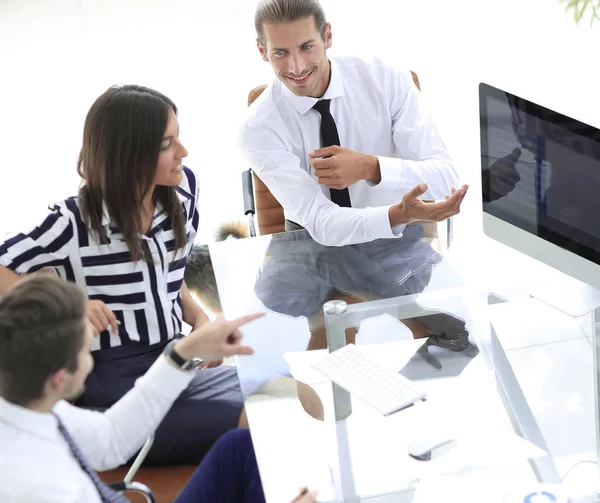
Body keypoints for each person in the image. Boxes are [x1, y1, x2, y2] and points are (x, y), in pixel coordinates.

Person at [0, 84, 244, 465]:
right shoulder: (73, 222)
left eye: (178, 137)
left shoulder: (183, 191)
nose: (183, 152)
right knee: (254, 416)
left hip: (174, 362)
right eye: (167, 145)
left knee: (280, 388)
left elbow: (167, 274)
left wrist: (197, 318)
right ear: (129, 154)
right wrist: (69, 308)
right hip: (112, 390)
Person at [238, 0, 470, 349]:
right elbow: (322, 221)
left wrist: (370, 167)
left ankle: (408, 324)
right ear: (262, 51)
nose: (297, 66)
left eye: (306, 47)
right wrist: (399, 213)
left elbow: (445, 177)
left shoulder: (385, 79)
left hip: (393, 242)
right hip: (312, 244)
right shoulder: (257, 127)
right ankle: (411, 317)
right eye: (280, 53)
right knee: (329, 345)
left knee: (340, 330)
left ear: (328, 35)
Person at [0, 275, 317, 503]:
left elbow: (111, 439)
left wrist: (184, 352)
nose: (92, 360)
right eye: (86, 350)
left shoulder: (31, 403)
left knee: (240, 446)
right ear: (58, 378)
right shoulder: (41, 488)